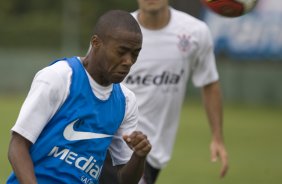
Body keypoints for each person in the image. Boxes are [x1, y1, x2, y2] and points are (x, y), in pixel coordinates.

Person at [7, 10, 151, 184]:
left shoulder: (126, 102)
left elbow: (125, 180)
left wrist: (139, 156)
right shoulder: (59, 77)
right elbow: (18, 146)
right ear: (96, 43)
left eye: (135, 54)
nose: (128, 61)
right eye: (122, 51)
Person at [100, 0, 229, 184]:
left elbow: (209, 83)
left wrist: (217, 137)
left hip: (155, 152)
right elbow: (94, 83)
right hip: (115, 143)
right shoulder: (115, 31)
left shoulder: (196, 32)